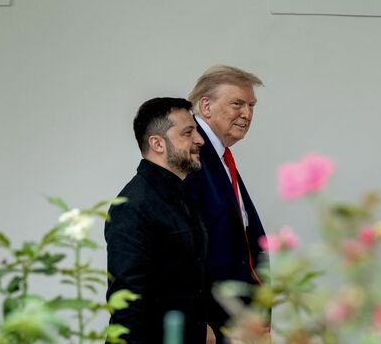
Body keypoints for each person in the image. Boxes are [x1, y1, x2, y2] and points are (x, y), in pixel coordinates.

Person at [105, 97, 216, 344]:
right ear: (157, 143)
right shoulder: (133, 206)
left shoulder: (182, 195)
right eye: (188, 132)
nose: (200, 140)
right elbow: (128, 306)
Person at [186, 66, 268, 341]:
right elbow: (184, 250)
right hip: (213, 324)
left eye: (251, 106)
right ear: (206, 106)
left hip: (239, 321)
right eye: (237, 104)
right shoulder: (191, 155)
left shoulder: (220, 156)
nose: (247, 114)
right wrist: (198, 324)